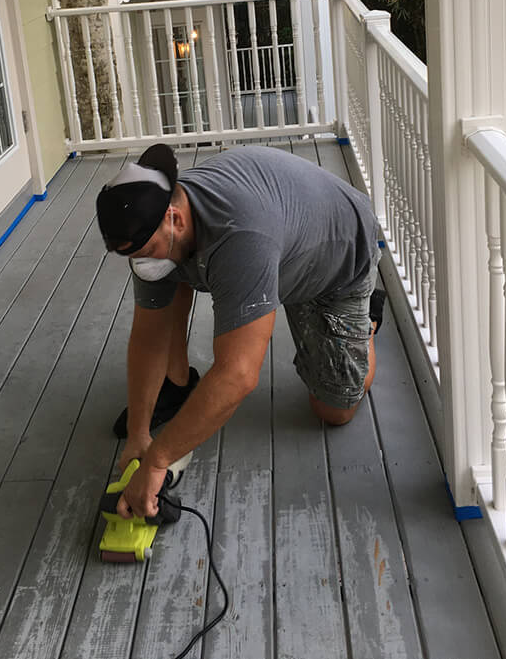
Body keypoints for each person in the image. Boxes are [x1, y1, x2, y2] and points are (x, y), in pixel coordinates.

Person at [96, 143, 382, 520]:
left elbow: (238, 375)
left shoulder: (239, 236)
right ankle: (177, 382)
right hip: (280, 240)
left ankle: (366, 321)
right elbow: (149, 337)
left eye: (146, 249)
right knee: (170, 272)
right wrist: (139, 433)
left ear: (174, 218)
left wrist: (155, 462)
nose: (142, 261)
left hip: (338, 257)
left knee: (334, 409)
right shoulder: (162, 221)